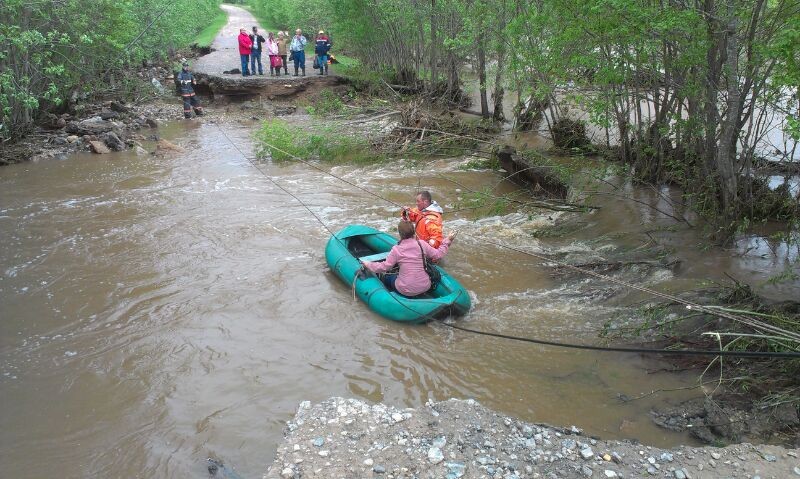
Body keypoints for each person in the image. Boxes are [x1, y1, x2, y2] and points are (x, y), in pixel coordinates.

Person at [362, 220, 456, 297]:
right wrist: (447, 240)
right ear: (413, 232)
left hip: (405, 289)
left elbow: (385, 267)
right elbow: (438, 254)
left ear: (400, 234)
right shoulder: (422, 244)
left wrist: (368, 264)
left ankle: (386, 293)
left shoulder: (397, 249)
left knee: (387, 277)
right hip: (425, 286)